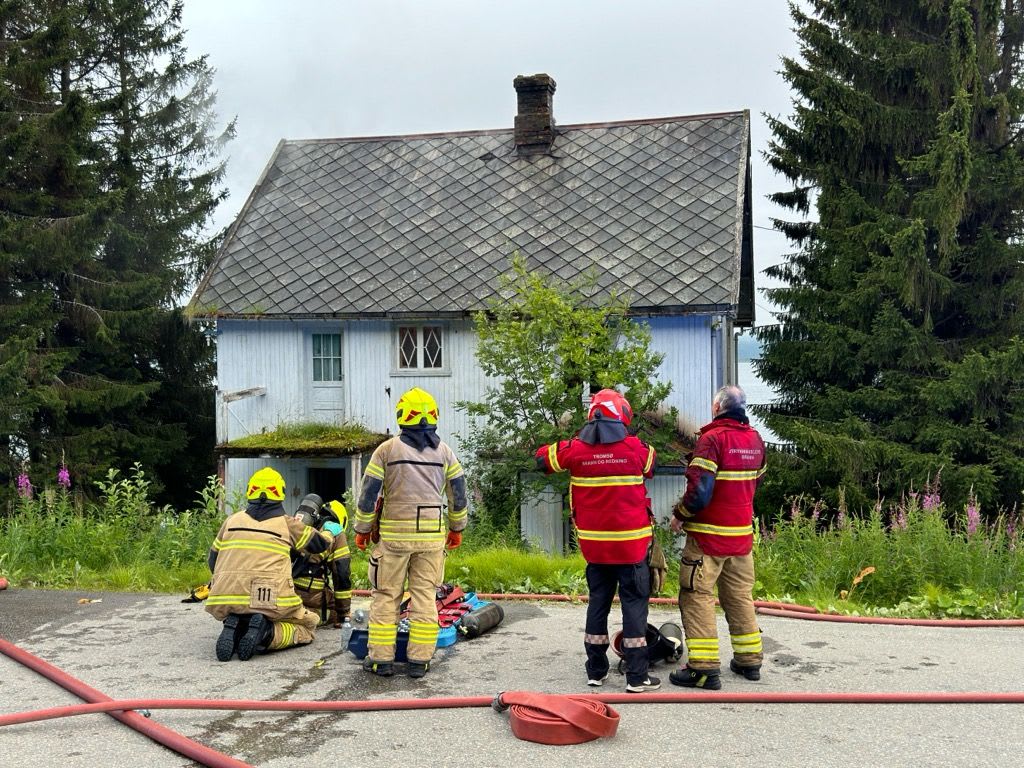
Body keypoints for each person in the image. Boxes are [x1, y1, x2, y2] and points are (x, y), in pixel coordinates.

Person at [535, 388, 660, 693]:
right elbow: (652, 466)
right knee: (634, 606)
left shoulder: (575, 450)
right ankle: (637, 677)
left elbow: (541, 459)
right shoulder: (636, 449)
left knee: (598, 604)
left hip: (595, 548)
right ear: (622, 416)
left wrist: (571, 444)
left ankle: (596, 671)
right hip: (631, 547)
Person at [353, 387, 468, 678]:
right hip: (430, 540)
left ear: (402, 416)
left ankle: (381, 660)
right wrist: (456, 528)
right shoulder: (445, 452)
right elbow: (458, 494)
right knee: (425, 597)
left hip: (393, 540)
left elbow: (368, 494)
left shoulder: (387, 450)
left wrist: (362, 529)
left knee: (386, 596)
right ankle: (419, 661)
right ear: (434, 417)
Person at [669, 384, 766, 689]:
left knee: (697, 595)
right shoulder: (755, 439)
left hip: (708, 539)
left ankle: (703, 670)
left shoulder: (712, 440)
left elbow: (700, 492)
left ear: (717, 408)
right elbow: (755, 482)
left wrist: (680, 515)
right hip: (741, 538)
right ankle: (749, 661)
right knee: (739, 597)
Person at [206, 467, 336, 661]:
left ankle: (236, 625)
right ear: (280, 493)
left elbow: (213, 561)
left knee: (241, 609)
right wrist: (330, 531)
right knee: (308, 626)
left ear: (250, 491)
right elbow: (319, 545)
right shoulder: (287, 523)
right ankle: (266, 633)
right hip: (267, 597)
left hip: (225, 596)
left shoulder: (231, 521)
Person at [291, 495, 352, 627]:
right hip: (310, 595)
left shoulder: (297, 525)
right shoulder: (336, 532)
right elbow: (342, 573)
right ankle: (304, 616)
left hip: (285, 589)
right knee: (334, 611)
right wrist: (344, 612)